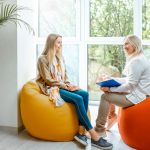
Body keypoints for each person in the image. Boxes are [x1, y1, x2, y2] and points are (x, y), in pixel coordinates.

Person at [36, 33, 113, 149]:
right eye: (58, 42)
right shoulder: (42, 59)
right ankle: (94, 136)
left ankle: (81, 133)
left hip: (61, 86)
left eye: (61, 42)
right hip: (51, 88)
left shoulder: (59, 58)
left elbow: (65, 77)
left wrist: (70, 85)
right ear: (51, 43)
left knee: (84, 94)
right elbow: (49, 80)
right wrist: (65, 86)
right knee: (77, 99)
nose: (61, 45)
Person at [95, 34, 150, 135]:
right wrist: (111, 79)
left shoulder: (137, 61)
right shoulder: (138, 58)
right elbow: (129, 79)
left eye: (127, 43)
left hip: (137, 97)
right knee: (110, 88)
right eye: (123, 44)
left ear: (135, 44)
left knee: (105, 96)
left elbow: (130, 86)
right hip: (137, 94)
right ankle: (112, 116)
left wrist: (110, 89)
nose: (124, 47)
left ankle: (99, 130)